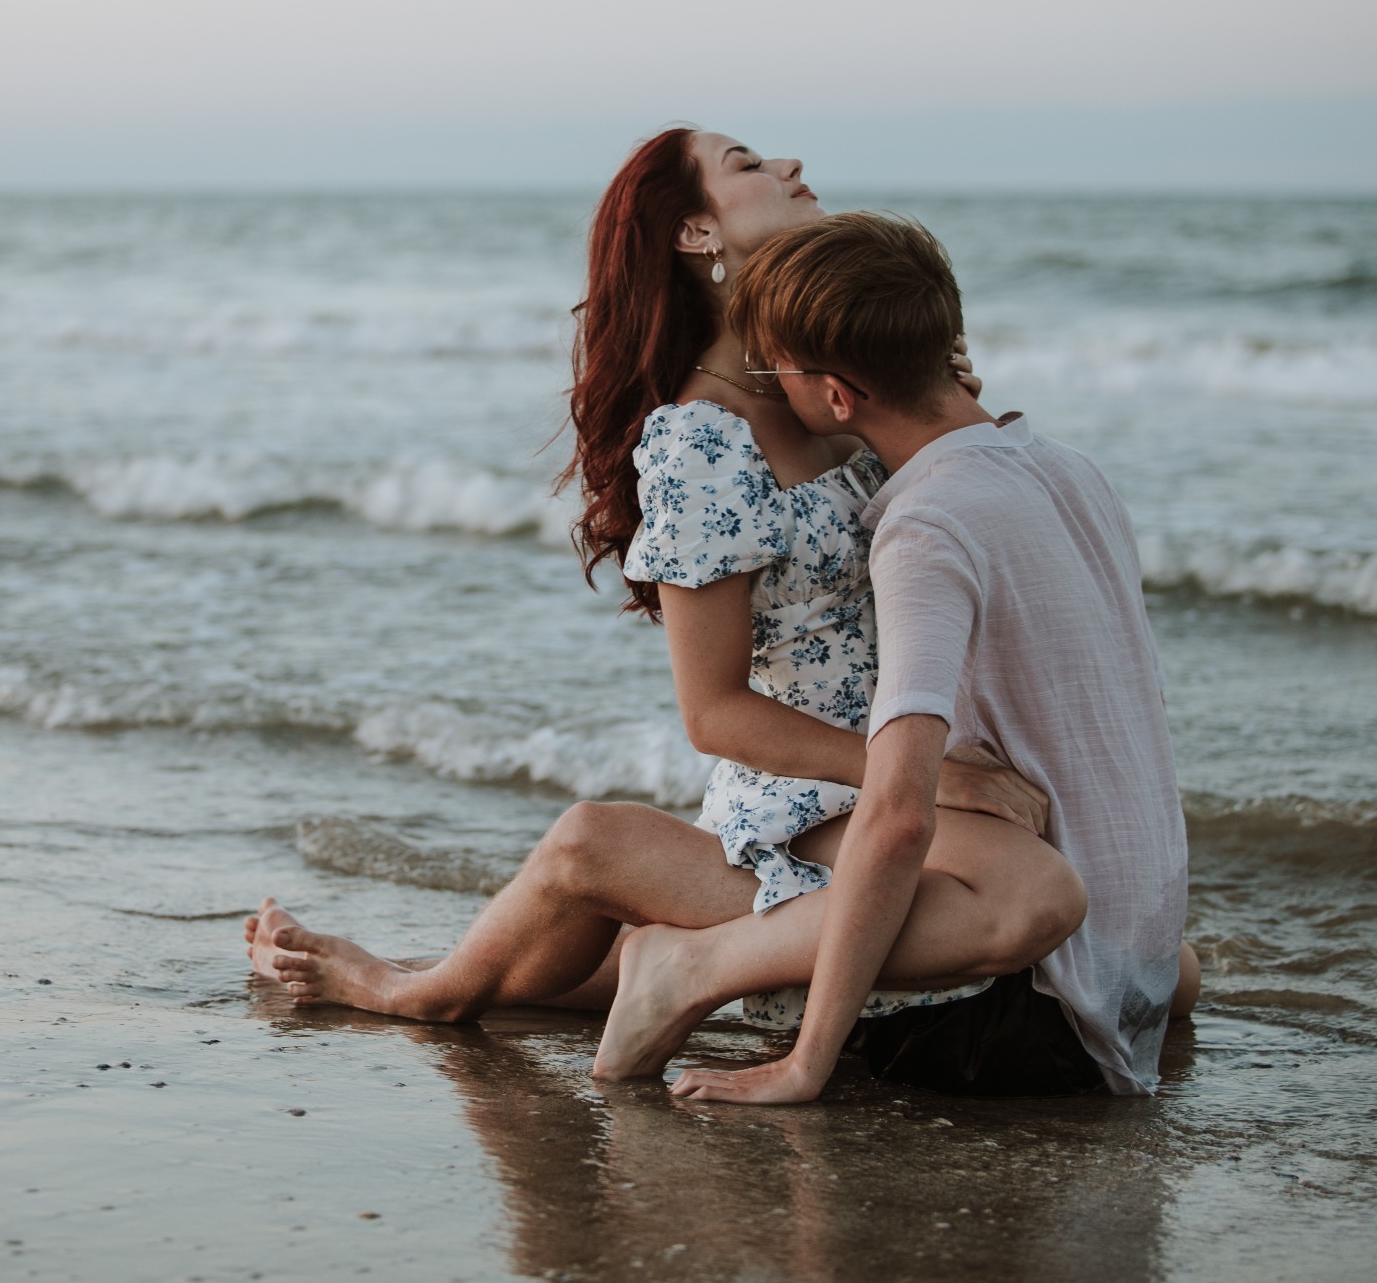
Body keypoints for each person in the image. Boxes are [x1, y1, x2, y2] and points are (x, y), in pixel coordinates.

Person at [242, 128, 1086, 1030]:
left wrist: (953, 409)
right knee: (1027, 905)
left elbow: (979, 539)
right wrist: (926, 776)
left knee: (1160, 965)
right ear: (694, 233)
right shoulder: (703, 442)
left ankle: (495, 964)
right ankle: (407, 989)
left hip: (915, 773)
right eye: (749, 165)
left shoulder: (842, 377)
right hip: (817, 801)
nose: (791, 166)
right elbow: (711, 711)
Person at [628, 213, 1193, 1103]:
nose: (768, 394)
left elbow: (896, 815)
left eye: (780, 374)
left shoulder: (925, 528)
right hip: (1144, 973)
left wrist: (806, 1063)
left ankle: (686, 963)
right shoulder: (1070, 470)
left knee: (849, 894)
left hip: (1037, 1020)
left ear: (838, 397)